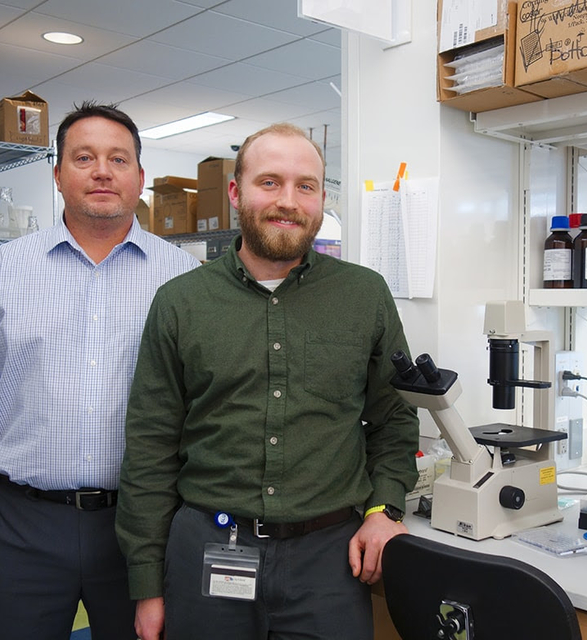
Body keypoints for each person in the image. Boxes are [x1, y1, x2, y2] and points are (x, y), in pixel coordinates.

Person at [116, 122, 420, 640]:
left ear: (323, 197)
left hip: (329, 562)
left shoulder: (363, 295)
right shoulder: (180, 302)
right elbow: (150, 448)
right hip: (208, 551)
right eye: (270, 182)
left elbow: (394, 418)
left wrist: (384, 510)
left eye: (306, 186)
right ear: (236, 192)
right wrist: (148, 585)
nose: (288, 201)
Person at [0, 101, 200, 640]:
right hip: (17, 525)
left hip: (145, 526)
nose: (101, 171)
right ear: (57, 173)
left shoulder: (184, 279)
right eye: (84, 157)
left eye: (119, 159)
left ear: (139, 177)